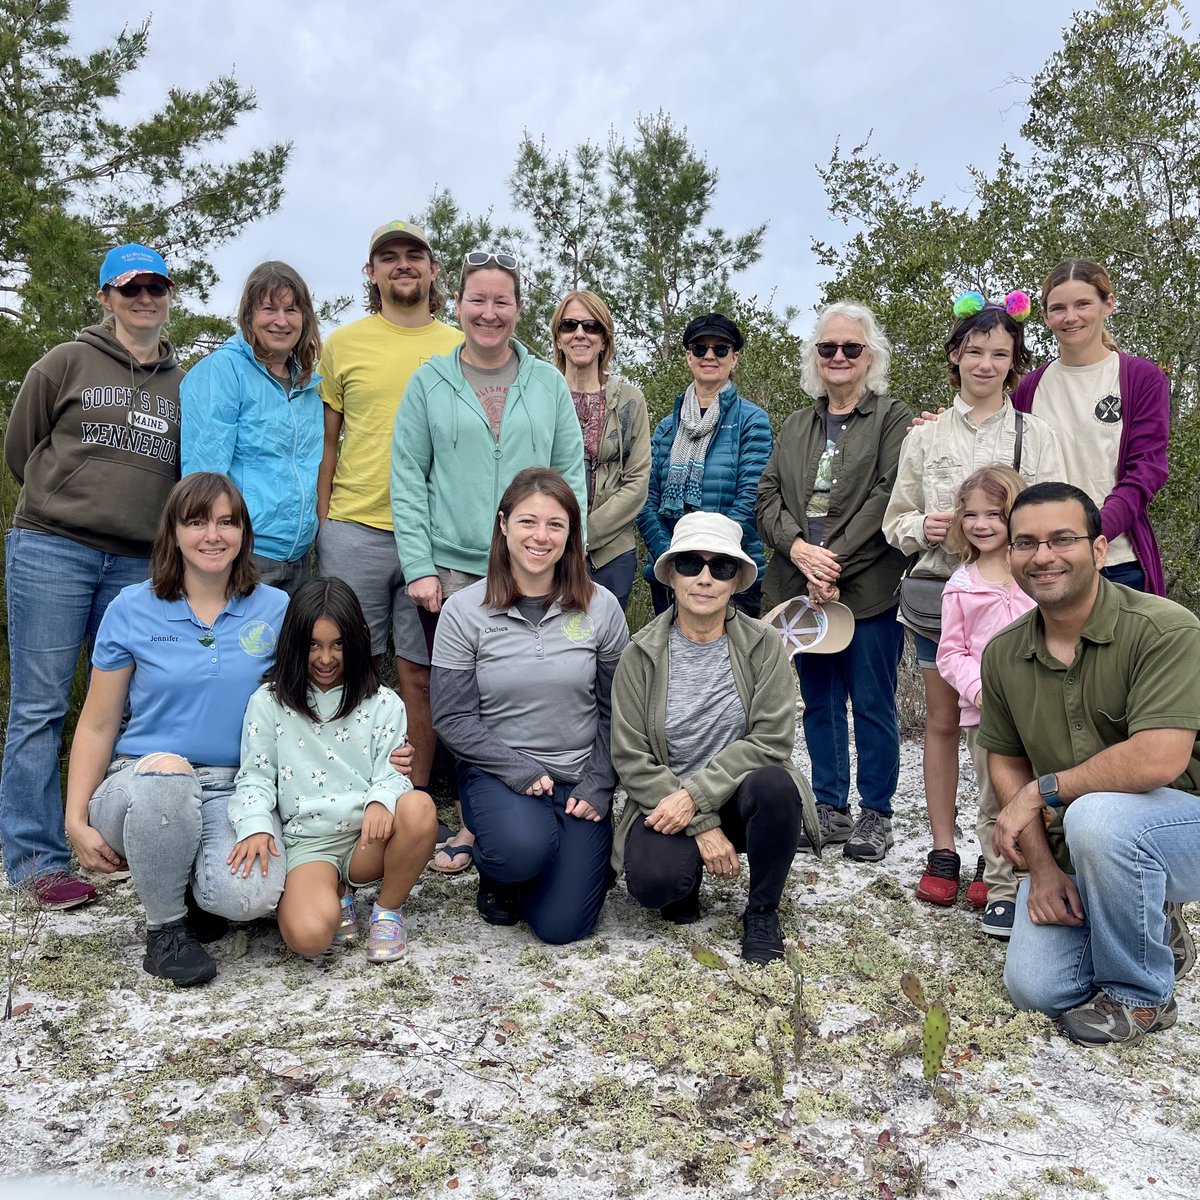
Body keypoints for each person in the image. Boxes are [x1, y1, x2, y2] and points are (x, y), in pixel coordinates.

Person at [980, 482, 1199, 1045]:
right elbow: (1006, 763)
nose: (1043, 556)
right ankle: (1146, 919)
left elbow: (1158, 758)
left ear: (1100, 550)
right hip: (1079, 843)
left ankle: (1141, 996)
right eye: (1025, 543)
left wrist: (1041, 792)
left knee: (1096, 816)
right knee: (1038, 989)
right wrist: (1043, 869)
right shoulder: (1004, 653)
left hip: (1180, 826)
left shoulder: (1165, 629)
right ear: (1011, 556)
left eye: (1062, 539)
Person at [1, 243, 183, 909]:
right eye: (129, 287)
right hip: (53, 549)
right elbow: (23, 448)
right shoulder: (65, 362)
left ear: (168, 296)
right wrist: (66, 504)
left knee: (126, 708)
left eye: (155, 286)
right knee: (40, 707)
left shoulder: (182, 385)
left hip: (137, 563)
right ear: (105, 298)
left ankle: (108, 839)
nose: (144, 298)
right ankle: (35, 860)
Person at [392, 251, 587, 873]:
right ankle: (451, 811)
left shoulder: (548, 383)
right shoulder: (429, 381)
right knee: (451, 695)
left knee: (515, 691)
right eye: (478, 300)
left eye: (502, 301)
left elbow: (570, 476)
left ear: (519, 309)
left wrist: (561, 558)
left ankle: (485, 825)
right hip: (451, 566)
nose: (489, 312)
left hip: (532, 564)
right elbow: (407, 477)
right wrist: (419, 565)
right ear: (458, 305)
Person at [63, 474, 289, 987]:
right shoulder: (131, 608)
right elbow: (98, 723)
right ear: (174, 532)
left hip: (233, 789)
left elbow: (305, 711)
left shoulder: (275, 609)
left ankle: (193, 887)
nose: (213, 535)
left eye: (227, 522)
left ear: (243, 533)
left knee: (247, 899)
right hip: (142, 784)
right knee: (169, 775)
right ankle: (164, 931)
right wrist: (76, 818)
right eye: (197, 522)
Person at [883, 292, 1065, 901]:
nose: (985, 363)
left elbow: (1057, 517)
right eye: (974, 350)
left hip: (1021, 602)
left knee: (1007, 729)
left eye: (999, 353)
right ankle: (942, 850)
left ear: (1014, 362)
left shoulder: (1035, 436)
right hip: (941, 597)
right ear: (955, 355)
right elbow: (895, 519)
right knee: (940, 723)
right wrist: (923, 528)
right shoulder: (924, 438)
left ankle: (1000, 856)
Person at [430, 468, 627, 944]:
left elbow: (617, 711)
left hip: (579, 778)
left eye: (555, 525)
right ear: (503, 525)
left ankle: (566, 866)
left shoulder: (601, 608)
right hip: (501, 775)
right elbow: (451, 717)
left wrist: (600, 781)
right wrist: (516, 769)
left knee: (562, 928)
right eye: (527, 522)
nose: (541, 536)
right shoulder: (464, 610)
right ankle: (502, 872)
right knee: (521, 850)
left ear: (570, 534)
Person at [610, 511, 818, 964]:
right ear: (670, 574)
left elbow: (771, 741)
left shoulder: (764, 646)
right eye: (690, 564)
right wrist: (699, 822)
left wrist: (698, 797)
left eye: (720, 567)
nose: (704, 579)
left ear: (736, 580)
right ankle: (686, 877)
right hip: (665, 801)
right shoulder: (639, 653)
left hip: (741, 797)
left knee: (776, 786)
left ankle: (762, 911)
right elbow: (630, 756)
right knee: (655, 885)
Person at [757, 302, 910, 863]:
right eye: (828, 348)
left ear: (870, 357)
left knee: (872, 702)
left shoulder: (893, 418)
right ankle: (829, 807)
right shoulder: (799, 424)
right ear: (815, 359)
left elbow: (889, 493)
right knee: (818, 701)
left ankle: (877, 813)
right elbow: (768, 496)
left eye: (851, 348)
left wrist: (831, 560)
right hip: (801, 590)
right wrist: (799, 550)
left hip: (867, 587)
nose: (839, 357)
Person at [316, 220, 463, 798]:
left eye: (414, 255)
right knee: (343, 669)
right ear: (372, 273)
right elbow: (329, 444)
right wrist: (322, 523)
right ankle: (343, 797)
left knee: (420, 677)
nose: (402, 265)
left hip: (435, 539)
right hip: (354, 529)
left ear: (432, 270)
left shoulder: (459, 345)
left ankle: (415, 802)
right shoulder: (343, 344)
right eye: (389, 257)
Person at [229, 579, 437, 962]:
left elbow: (394, 772)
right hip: (309, 842)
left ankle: (387, 911)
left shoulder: (384, 702)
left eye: (337, 643)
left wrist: (381, 800)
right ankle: (335, 895)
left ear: (357, 640)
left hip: (369, 836)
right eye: (313, 645)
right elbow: (255, 776)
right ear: (294, 642)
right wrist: (254, 824)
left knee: (420, 807)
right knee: (309, 939)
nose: (325, 658)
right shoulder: (268, 702)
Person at [1013, 259, 1170, 595]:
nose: (1071, 317)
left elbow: (1146, 471)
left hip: (1117, 564)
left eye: (1083, 303)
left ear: (1107, 304)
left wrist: (1091, 533)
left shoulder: (1140, 378)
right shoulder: (1027, 389)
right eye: (1058, 308)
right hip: (1045, 567)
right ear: (1045, 316)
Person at [934, 466, 1035, 938]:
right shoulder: (961, 584)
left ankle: (1040, 880)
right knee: (995, 801)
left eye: (994, 514)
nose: (982, 524)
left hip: (1044, 711)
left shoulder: (1035, 576)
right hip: (988, 717)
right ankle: (1000, 891)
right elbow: (951, 653)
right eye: (970, 514)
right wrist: (981, 691)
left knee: (1044, 796)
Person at [181, 261, 323, 594]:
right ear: (248, 315)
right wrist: (216, 556)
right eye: (269, 309)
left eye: (292, 309)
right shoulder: (222, 371)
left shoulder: (308, 385)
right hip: (243, 556)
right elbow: (204, 476)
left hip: (299, 558)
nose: (281, 320)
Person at [638, 313, 772, 617]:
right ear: (688, 357)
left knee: (733, 665)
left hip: (730, 574)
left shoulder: (752, 422)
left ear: (734, 358)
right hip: (673, 573)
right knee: (674, 664)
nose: (709, 355)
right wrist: (671, 559)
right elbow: (647, 500)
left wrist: (711, 564)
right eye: (700, 348)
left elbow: (751, 498)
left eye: (720, 349)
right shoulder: (666, 429)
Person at [550, 290, 651, 610]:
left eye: (591, 326)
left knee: (606, 652)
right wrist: (559, 536)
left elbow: (637, 481)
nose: (580, 333)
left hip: (612, 553)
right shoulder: (540, 395)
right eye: (569, 325)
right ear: (558, 338)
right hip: (548, 548)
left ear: (605, 340)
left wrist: (585, 534)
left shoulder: (631, 400)